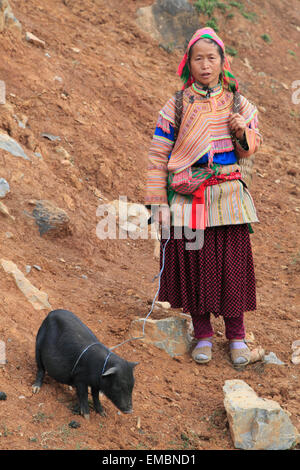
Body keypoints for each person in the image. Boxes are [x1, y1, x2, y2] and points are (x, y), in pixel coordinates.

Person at [145, 28, 262, 366]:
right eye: (199, 58)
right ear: (189, 64)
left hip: (228, 198)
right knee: (194, 264)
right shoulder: (176, 107)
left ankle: (237, 336)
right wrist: (158, 203)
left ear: (222, 62)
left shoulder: (238, 104)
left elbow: (250, 149)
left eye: (212, 58)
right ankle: (203, 334)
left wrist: (242, 132)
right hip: (188, 196)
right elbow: (157, 157)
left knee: (232, 266)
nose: (206, 65)